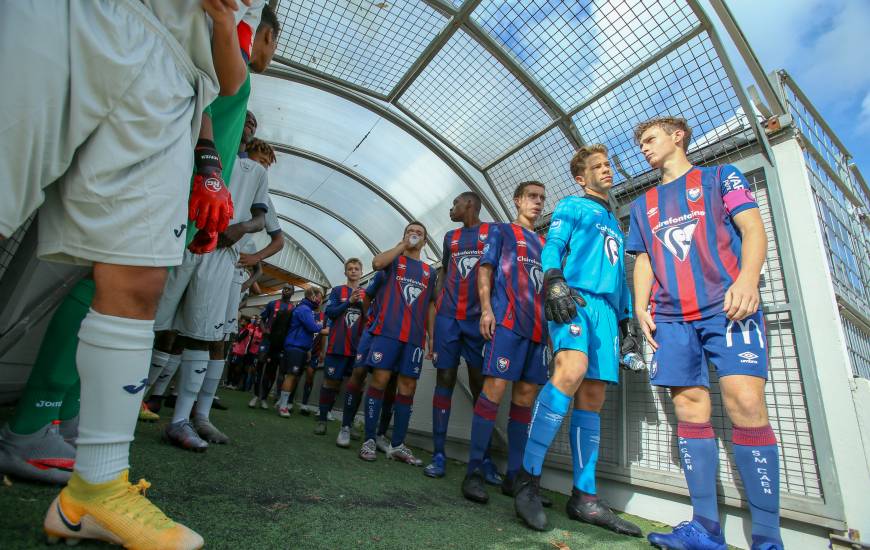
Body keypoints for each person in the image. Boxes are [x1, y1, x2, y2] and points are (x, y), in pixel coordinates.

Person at [2, 1, 251, 547]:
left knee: (140, 279)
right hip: (77, 15)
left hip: (171, 79)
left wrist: (206, 151)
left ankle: (95, 489)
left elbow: (229, 81)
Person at [627, 117, 779, 550]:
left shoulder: (719, 177)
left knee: (746, 403)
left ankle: (768, 538)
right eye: (640, 143)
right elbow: (642, 260)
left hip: (727, 308)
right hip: (671, 318)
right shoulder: (644, 203)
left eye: (649, 139)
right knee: (690, 410)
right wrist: (640, 307)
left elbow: (753, 228)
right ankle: (705, 529)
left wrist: (748, 280)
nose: (643, 148)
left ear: (678, 137)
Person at [514, 145, 641, 535]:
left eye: (609, 164)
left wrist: (627, 321)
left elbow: (620, 276)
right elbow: (552, 245)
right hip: (574, 299)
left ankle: (584, 498)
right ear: (581, 177)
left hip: (606, 311)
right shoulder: (572, 205)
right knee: (572, 370)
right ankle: (527, 480)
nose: (607, 170)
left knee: (593, 395)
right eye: (597, 166)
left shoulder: (614, 221)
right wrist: (553, 281)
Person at [154, 134, 277, 451]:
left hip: (222, 255)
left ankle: (187, 417)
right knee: (156, 325)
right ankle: (142, 397)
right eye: (244, 120)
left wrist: (242, 237)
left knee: (205, 334)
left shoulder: (255, 176)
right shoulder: (200, 144)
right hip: (178, 240)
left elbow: (266, 225)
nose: (246, 126)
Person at [461, 181, 549, 507]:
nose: (538, 203)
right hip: (508, 323)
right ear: (517, 200)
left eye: (542, 198)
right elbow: (485, 271)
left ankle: (515, 476)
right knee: (494, 391)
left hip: (538, 331)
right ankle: (473, 471)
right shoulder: (501, 231)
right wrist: (486, 309)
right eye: (532, 197)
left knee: (524, 400)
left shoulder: (545, 242)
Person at [423, 192, 501, 484]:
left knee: (481, 385)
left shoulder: (492, 231)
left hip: (478, 320)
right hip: (448, 320)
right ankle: (439, 455)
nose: (451, 208)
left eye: (455, 203)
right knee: (444, 378)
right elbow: (444, 271)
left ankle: (483, 459)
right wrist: (441, 299)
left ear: (469, 204)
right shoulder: (450, 238)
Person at [358, 222, 437, 466]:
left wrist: (431, 337)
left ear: (425, 242)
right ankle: (369, 439)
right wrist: (402, 245)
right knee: (380, 382)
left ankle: (398, 444)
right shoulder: (393, 262)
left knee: (407, 388)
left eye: (419, 233)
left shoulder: (429, 272)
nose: (415, 235)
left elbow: (432, 305)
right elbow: (376, 263)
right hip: (387, 334)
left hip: (413, 339)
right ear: (404, 237)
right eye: (410, 232)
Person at [315, 259, 366, 435]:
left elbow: (371, 319)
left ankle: (348, 424)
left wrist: (362, 305)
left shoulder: (367, 294)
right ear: (346, 273)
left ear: (361, 272)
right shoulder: (337, 291)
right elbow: (330, 313)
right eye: (350, 269)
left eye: (356, 269)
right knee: (330, 382)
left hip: (358, 349)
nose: (353, 271)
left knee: (357, 386)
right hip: (337, 346)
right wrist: (349, 301)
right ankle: (322, 420)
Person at [336, 272, 385, 447]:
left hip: (392, 335)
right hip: (372, 332)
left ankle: (379, 435)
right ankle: (346, 426)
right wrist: (368, 320)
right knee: (358, 373)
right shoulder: (385, 270)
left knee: (387, 381)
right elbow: (369, 297)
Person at [276, 287, 325, 416]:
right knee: (291, 375)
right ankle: (283, 406)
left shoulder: (305, 308)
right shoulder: (304, 309)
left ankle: (283, 401)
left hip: (300, 347)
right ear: (313, 296)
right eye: (320, 297)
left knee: (294, 376)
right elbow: (313, 327)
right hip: (295, 347)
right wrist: (322, 326)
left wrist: (308, 349)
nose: (321, 300)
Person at [251, 286, 294, 408]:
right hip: (267, 341)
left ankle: (264, 398)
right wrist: (264, 330)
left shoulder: (293, 308)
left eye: (289, 289)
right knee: (259, 365)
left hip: (279, 344)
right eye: (284, 288)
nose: (286, 290)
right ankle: (255, 395)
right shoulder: (272, 304)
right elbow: (262, 319)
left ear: (292, 293)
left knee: (271, 371)